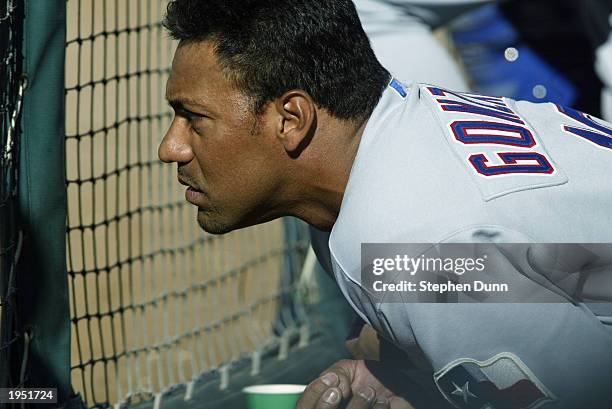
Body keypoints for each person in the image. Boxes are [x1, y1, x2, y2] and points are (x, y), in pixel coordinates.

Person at [158, 1, 612, 408]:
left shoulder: (415, 248)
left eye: (194, 118)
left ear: (291, 120)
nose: (171, 147)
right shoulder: (398, 128)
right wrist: (412, 374)